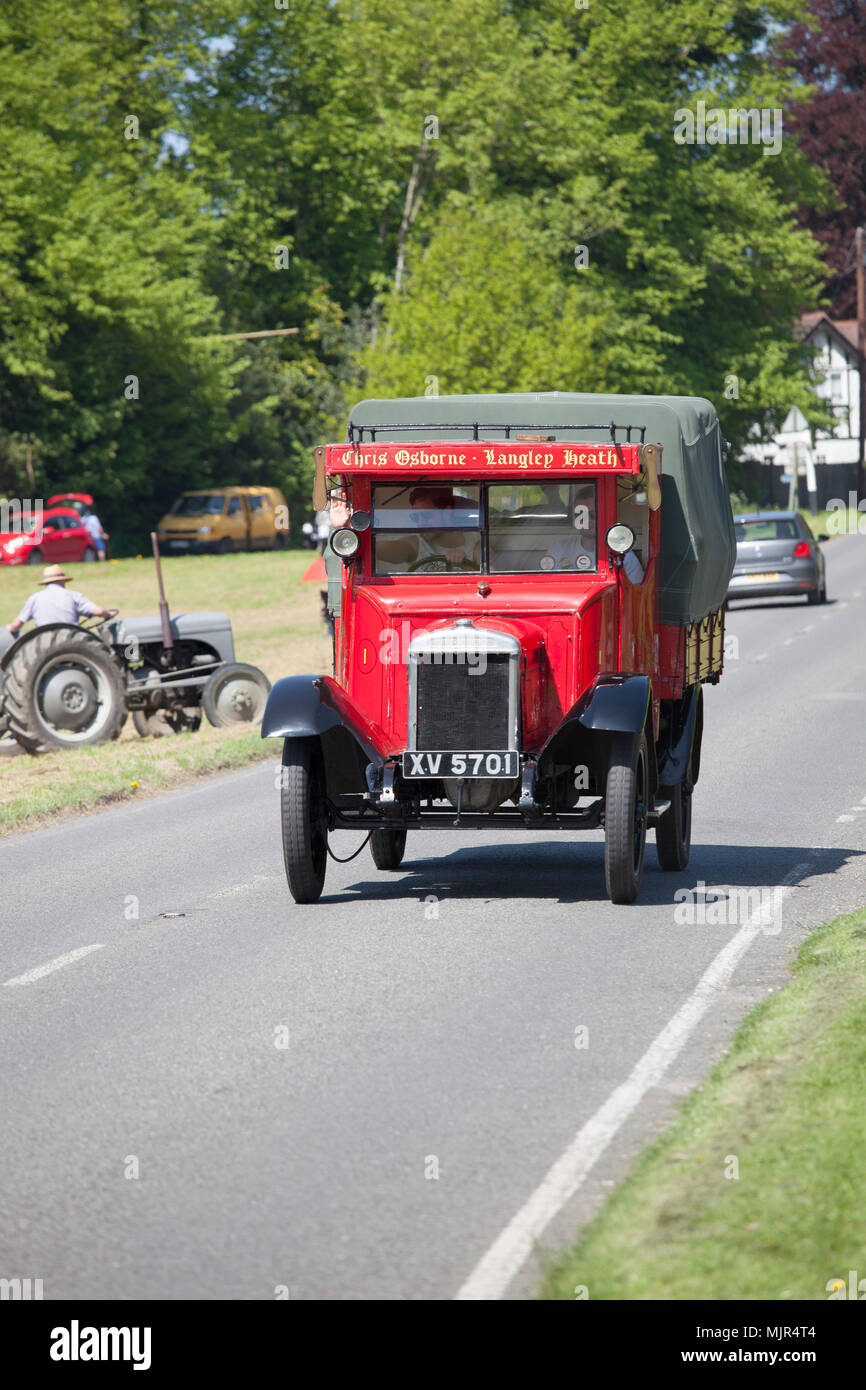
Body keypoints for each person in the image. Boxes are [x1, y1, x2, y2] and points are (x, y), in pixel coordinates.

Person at [377, 485, 481, 571]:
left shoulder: (475, 542)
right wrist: (365, 545)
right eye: (415, 517)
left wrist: (465, 566)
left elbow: (491, 582)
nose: (420, 523)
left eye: (427, 516)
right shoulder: (416, 543)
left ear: (446, 513)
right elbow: (390, 549)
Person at [6, 565, 112, 635]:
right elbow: (99, 611)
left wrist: (8, 629)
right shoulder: (73, 596)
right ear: (62, 581)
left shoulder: (35, 598)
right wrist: (108, 614)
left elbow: (16, 625)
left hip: (42, 641)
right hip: (71, 640)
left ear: (46, 583)